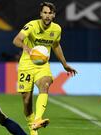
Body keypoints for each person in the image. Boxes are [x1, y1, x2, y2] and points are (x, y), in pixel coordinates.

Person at [12, 2, 77, 135]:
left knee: (45, 83)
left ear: (53, 15)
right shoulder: (32, 25)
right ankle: (32, 128)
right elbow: (16, 40)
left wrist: (64, 64)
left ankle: (38, 119)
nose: (47, 16)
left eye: (50, 13)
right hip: (26, 65)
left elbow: (56, 46)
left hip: (42, 65)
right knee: (26, 101)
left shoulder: (57, 29)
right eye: (45, 13)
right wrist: (27, 48)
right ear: (41, 14)